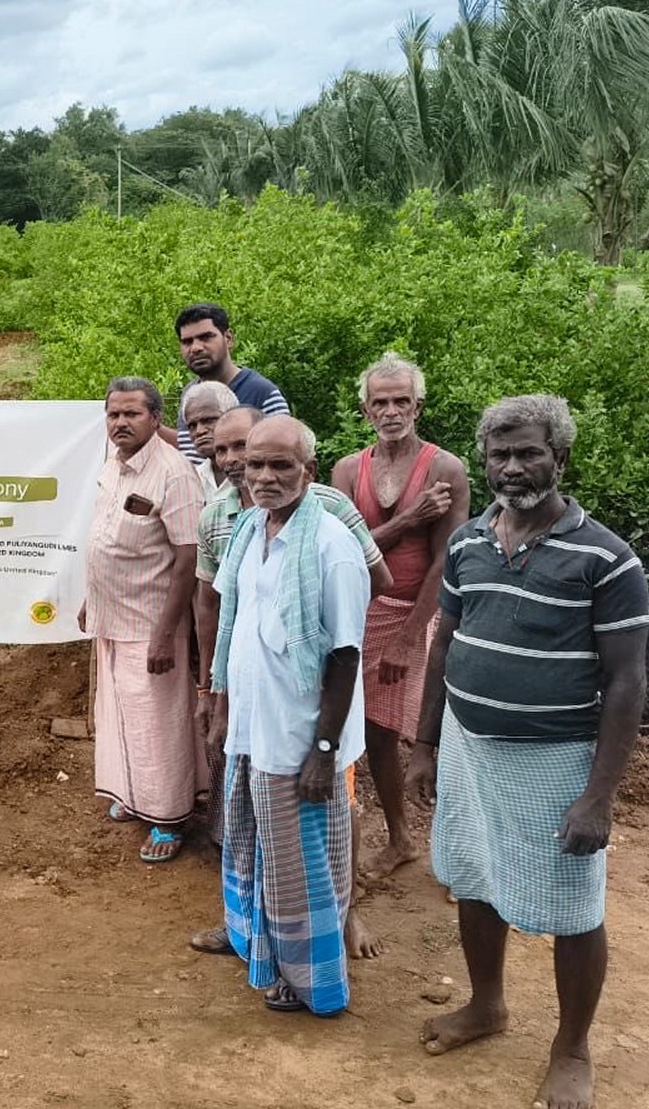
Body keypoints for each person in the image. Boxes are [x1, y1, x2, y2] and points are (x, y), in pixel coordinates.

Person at [408, 395, 649, 1109]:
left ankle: (572, 1048)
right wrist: (424, 744)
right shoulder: (469, 542)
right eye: (500, 455)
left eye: (528, 453)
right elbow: (444, 642)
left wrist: (600, 795)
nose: (512, 467)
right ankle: (487, 1006)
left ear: (560, 458)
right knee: (472, 875)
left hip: (555, 760)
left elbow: (628, 680)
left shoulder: (605, 557)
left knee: (574, 906)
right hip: (467, 747)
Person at [192, 407, 390, 959]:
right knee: (251, 844)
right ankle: (253, 939)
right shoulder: (249, 529)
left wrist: (324, 752)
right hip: (256, 727)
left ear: (309, 468)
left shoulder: (331, 546)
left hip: (303, 738)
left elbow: (346, 655)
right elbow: (232, 622)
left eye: (280, 465)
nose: (263, 476)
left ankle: (304, 974)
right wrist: (223, 704)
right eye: (255, 464)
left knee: (302, 860)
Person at [330, 354, 468, 883]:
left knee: (436, 734)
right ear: (366, 410)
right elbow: (344, 549)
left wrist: (411, 639)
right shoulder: (348, 469)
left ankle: (462, 857)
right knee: (376, 733)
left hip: (417, 615)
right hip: (361, 613)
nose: (391, 411)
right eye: (380, 402)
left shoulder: (444, 469)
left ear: (418, 406)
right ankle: (401, 838)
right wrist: (410, 518)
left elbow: (445, 561)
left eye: (401, 401)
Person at [78, 377, 205, 862]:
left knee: (158, 724)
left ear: (156, 418)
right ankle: (135, 796)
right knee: (122, 718)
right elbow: (105, 536)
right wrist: (93, 598)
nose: (121, 423)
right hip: (113, 618)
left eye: (132, 414)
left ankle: (168, 819)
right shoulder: (114, 464)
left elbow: (188, 556)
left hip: (151, 625)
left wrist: (164, 633)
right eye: (114, 414)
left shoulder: (174, 473)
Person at [173, 302, 289, 463]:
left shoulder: (262, 392)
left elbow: (283, 457)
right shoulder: (190, 394)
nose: (196, 348)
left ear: (228, 338)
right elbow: (191, 457)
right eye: (187, 342)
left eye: (205, 337)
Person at [181, 380, 239, 498]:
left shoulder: (253, 473)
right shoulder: (193, 479)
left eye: (208, 420)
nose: (199, 431)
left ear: (232, 417)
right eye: (192, 426)